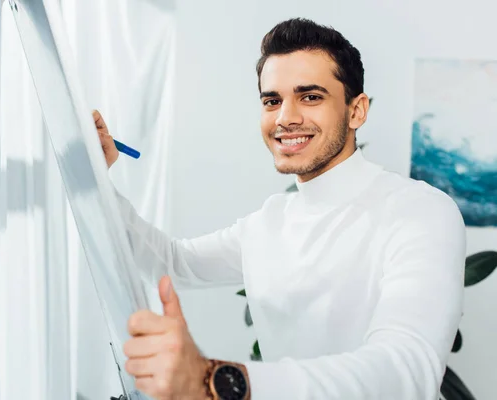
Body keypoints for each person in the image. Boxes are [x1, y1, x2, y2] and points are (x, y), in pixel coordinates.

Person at [93, 17, 466, 400]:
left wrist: (215, 380)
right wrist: (94, 176)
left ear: (357, 111)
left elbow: (405, 368)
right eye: (272, 100)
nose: (286, 118)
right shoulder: (269, 221)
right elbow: (173, 261)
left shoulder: (421, 211)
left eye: (310, 97)